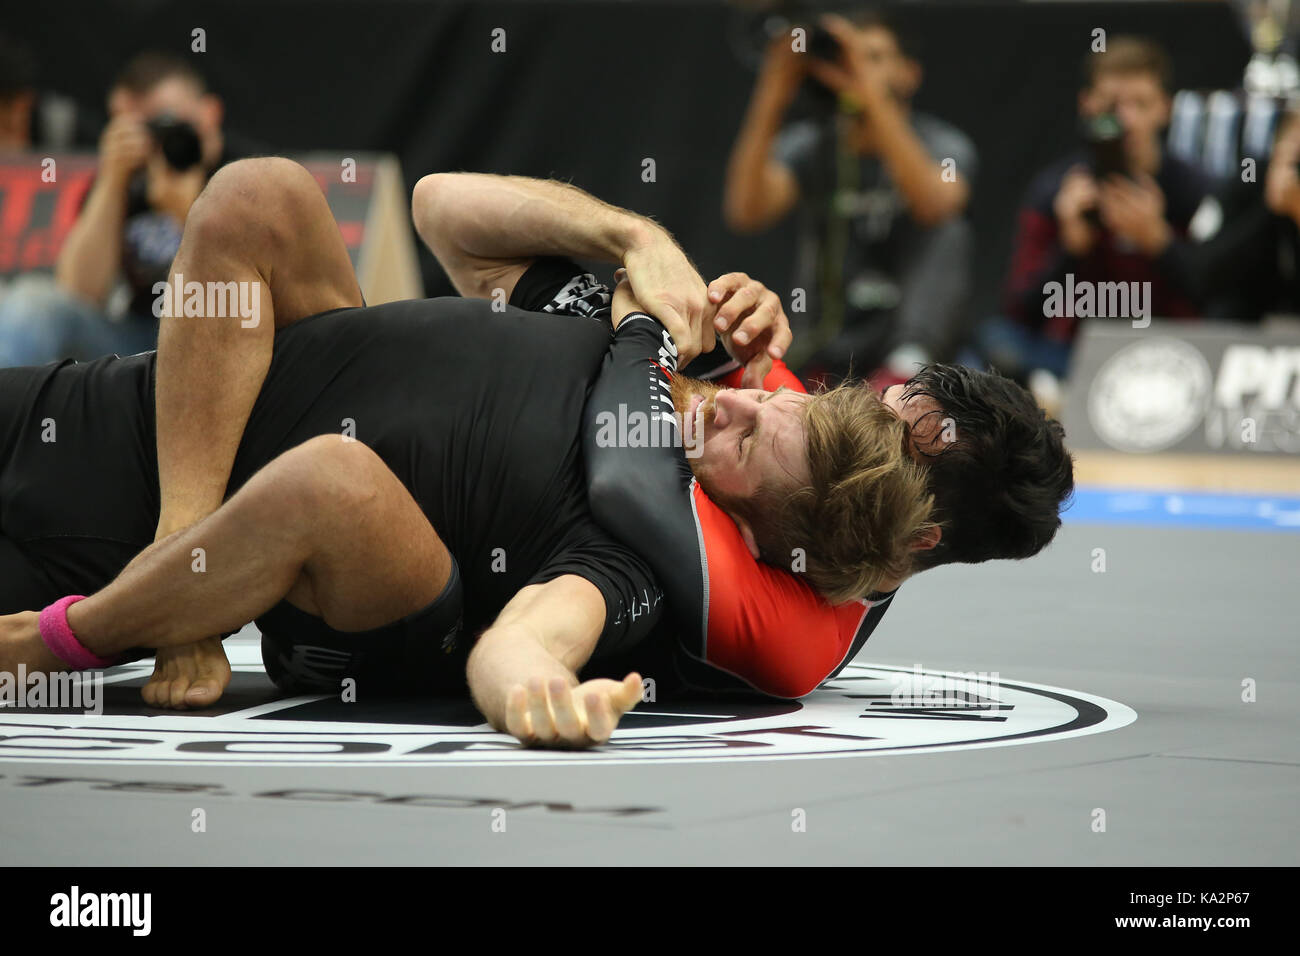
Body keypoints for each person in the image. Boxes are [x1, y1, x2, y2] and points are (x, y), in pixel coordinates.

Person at [0, 158, 933, 748]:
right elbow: (440, 206)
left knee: (334, 476)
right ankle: (181, 574)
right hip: (133, 418)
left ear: (765, 539)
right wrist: (633, 235)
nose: (741, 411)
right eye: (775, 409)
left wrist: (538, 698)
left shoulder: (638, 553)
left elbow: (521, 647)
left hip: (321, 559)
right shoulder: (670, 337)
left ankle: (72, 635)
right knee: (261, 194)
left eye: (751, 450)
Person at [724, 9, 976, 386]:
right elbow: (745, 211)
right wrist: (774, 88)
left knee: (951, 230)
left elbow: (937, 206)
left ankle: (904, 368)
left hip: (910, 346)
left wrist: (869, 94)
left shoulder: (945, 144)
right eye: (849, 57)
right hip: (830, 346)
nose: (856, 67)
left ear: (910, 73)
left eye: (874, 57)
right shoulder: (813, 146)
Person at [0, 52, 248, 366]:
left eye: (165, 123)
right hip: (140, 341)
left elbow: (250, 297)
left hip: (223, 338)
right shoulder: (125, 178)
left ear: (209, 113)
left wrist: (187, 212)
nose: (156, 140)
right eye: (136, 128)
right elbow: (79, 291)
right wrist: (112, 182)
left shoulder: (245, 172)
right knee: (32, 302)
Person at [991, 36, 1209, 384]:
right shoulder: (1057, 190)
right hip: (1075, 355)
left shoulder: (1194, 189)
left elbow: (1222, 301)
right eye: (1112, 106)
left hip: (1173, 355)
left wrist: (1160, 243)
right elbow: (1020, 309)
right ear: (1087, 105)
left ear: (1165, 108)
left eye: (1140, 104)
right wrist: (1071, 249)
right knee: (992, 344)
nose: (1126, 120)